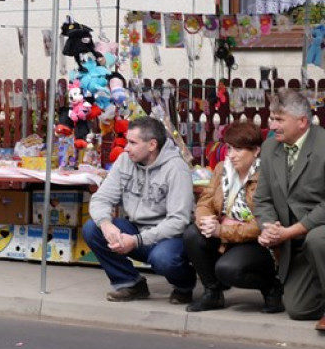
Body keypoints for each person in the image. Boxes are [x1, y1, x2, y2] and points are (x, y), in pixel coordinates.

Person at [84, 116, 196, 303]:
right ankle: (130, 283)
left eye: (132, 143)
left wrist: (136, 241)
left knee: (163, 258)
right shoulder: (124, 160)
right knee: (92, 228)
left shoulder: (176, 168)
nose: (126, 147)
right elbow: (101, 198)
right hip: (136, 231)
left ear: (152, 145)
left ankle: (184, 285)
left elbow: (179, 221)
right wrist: (105, 224)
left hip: (169, 238)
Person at [183, 121, 282, 312]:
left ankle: (271, 287)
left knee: (227, 270)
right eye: (229, 148)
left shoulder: (266, 175)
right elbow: (205, 201)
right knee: (192, 234)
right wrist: (206, 220)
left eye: (238, 149)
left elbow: (263, 224)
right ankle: (212, 293)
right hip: (225, 233)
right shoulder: (222, 169)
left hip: (256, 242)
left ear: (255, 151)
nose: (231, 155)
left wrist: (223, 230)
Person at [254, 90, 325, 332]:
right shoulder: (269, 148)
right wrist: (269, 227)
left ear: (302, 121)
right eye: (271, 118)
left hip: (317, 234)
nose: (271, 125)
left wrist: (291, 231)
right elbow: (262, 199)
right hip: (297, 246)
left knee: (317, 239)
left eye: (279, 119)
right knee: (298, 310)